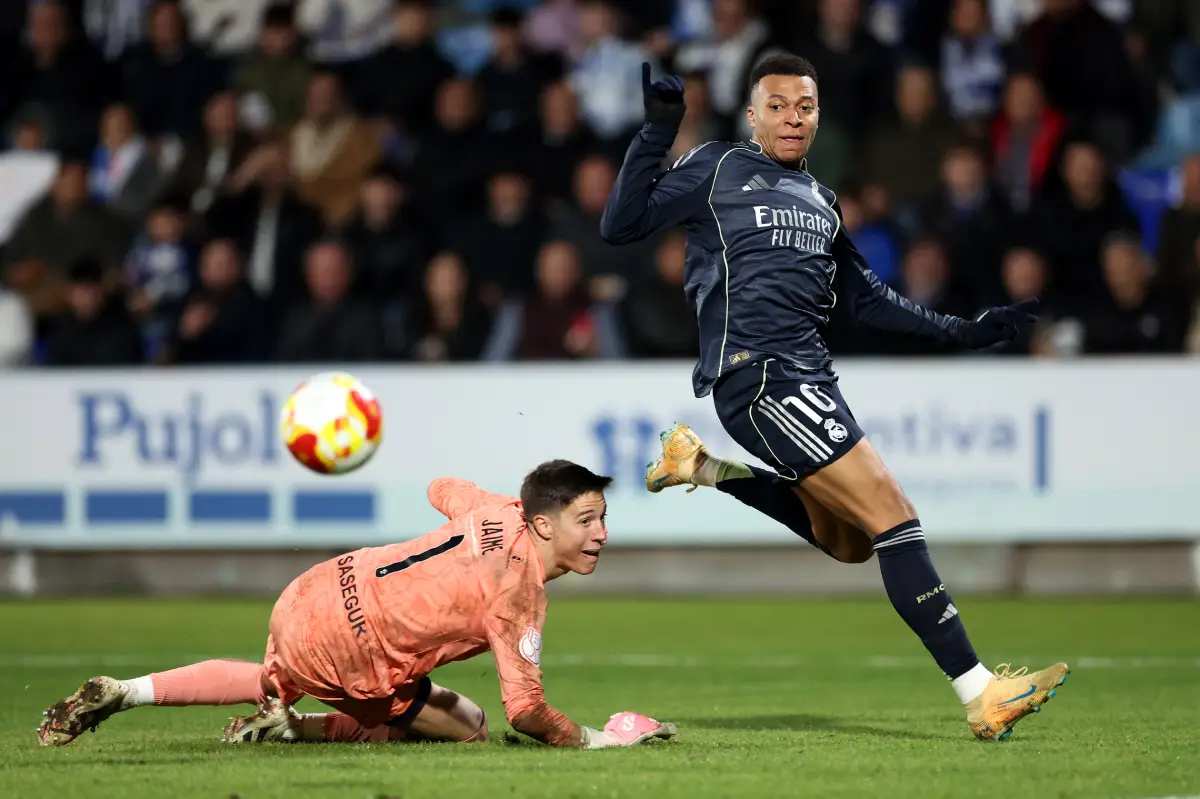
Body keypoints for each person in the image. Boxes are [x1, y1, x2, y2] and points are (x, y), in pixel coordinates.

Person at [599, 55, 1066, 742]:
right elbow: (620, 223)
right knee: (894, 513)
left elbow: (868, 299)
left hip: (813, 380)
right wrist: (656, 133)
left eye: (805, 106)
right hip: (758, 376)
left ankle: (702, 466)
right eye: (778, 105)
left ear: (818, 117)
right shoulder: (718, 167)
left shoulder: (821, 199)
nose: (792, 118)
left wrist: (963, 330)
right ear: (753, 115)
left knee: (849, 541)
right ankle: (981, 692)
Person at [36, 461, 677, 750]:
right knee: (470, 725)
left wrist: (490, 509)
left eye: (602, 518)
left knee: (273, 675)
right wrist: (596, 741)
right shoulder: (519, 597)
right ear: (542, 525)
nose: (602, 534)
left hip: (315, 588)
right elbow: (528, 713)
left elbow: (441, 487)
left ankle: (130, 690)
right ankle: (294, 728)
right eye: (587, 520)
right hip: (351, 650)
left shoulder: (499, 509)